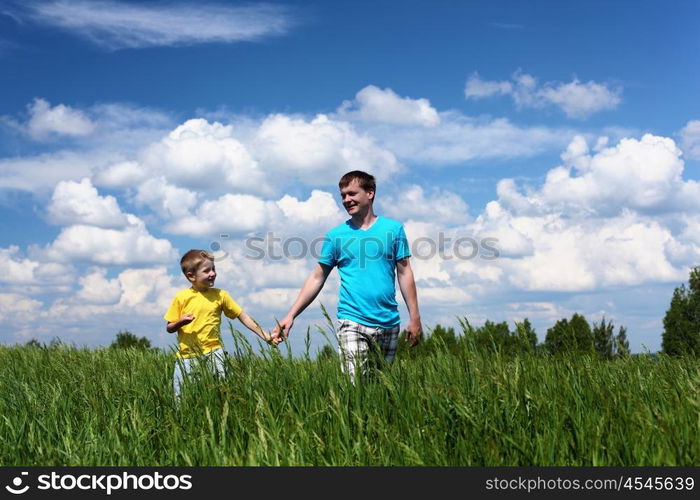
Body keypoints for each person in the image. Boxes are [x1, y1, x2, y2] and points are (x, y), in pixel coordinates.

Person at [272, 170, 422, 379]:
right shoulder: (336, 236)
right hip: (352, 320)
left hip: (388, 322)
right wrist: (291, 315)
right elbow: (317, 277)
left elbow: (405, 272)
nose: (346, 200)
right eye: (342, 195)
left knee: (380, 387)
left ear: (370, 193)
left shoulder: (393, 230)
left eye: (351, 193)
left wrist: (415, 317)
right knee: (355, 385)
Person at [165, 249, 273, 399]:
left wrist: (266, 336)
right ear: (191, 276)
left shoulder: (221, 295)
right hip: (186, 358)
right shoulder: (181, 297)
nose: (213, 273)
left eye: (214, 269)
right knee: (181, 398)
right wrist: (180, 321)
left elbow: (243, 316)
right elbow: (169, 327)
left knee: (220, 394)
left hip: (214, 353)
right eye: (207, 270)